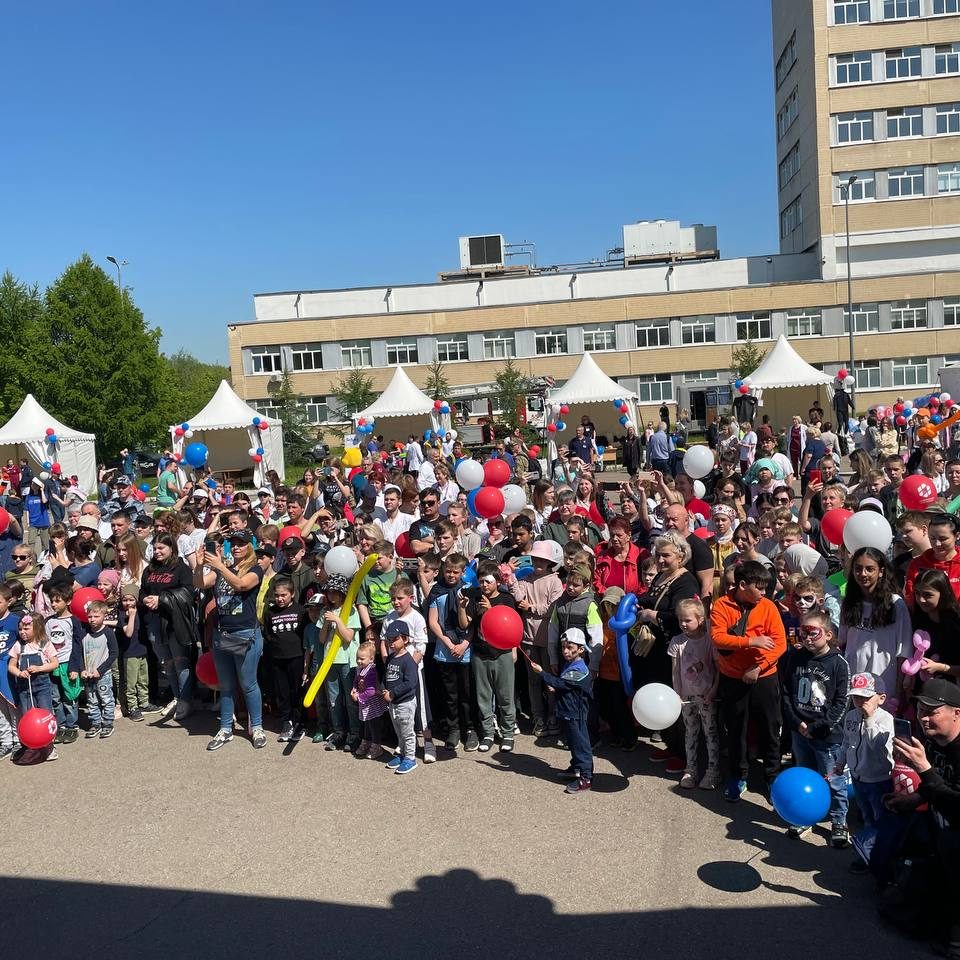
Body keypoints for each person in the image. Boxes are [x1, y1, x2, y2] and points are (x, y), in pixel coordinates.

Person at [710, 560, 787, 802]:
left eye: (766, 588)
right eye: (760, 588)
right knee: (735, 729)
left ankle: (772, 776)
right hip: (732, 677)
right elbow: (718, 639)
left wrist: (758, 667)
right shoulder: (721, 605)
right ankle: (737, 775)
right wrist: (751, 642)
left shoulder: (768, 607)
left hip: (764, 676)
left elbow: (780, 643)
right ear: (742, 585)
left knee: (770, 727)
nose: (764, 593)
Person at [781, 610, 851, 847]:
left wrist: (817, 727)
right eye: (803, 632)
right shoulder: (795, 657)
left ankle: (839, 821)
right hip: (799, 730)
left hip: (827, 735)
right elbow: (787, 693)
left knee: (833, 780)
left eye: (813, 632)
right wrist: (796, 723)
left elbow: (842, 703)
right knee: (805, 774)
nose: (807, 638)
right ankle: (806, 815)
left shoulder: (839, 664)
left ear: (828, 635)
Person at [839, 547, 911, 708]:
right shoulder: (848, 602)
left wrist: (898, 694)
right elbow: (842, 643)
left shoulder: (895, 604)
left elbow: (903, 653)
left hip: (884, 684)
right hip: (854, 683)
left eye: (869, 569)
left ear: (881, 571)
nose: (863, 574)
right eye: (858, 569)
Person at [837, 672, 894, 871]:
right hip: (858, 776)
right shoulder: (851, 716)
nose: (860, 702)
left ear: (881, 698)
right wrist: (840, 763)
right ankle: (867, 854)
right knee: (866, 816)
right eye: (855, 697)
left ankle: (880, 855)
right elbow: (846, 743)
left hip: (878, 779)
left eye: (865, 697)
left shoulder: (885, 720)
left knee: (880, 819)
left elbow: (876, 746)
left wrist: (869, 720)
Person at [459, 561, 518, 753]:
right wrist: (462, 607)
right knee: (483, 697)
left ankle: (508, 733)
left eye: (488, 581)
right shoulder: (476, 599)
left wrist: (491, 609)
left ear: (497, 581)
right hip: (480, 653)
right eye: (481, 581)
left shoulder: (506, 599)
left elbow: (510, 626)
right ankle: (488, 733)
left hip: (502, 654)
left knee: (505, 696)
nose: (484, 585)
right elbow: (464, 625)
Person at [141, 533, 198, 723]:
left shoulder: (181, 568)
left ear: (171, 548)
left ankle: (185, 700)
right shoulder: (149, 569)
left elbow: (189, 592)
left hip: (175, 622)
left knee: (180, 661)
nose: (157, 552)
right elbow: (143, 590)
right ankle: (177, 696)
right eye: (155, 548)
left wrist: (162, 599)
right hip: (154, 621)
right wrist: (145, 599)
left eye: (161, 548)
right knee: (167, 664)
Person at [531, 627, 594, 794]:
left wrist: (542, 672)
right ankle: (576, 768)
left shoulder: (579, 668)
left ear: (581, 649)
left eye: (570, 648)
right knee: (573, 743)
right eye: (563, 647)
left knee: (581, 745)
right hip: (568, 712)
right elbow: (566, 685)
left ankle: (586, 777)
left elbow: (562, 683)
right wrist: (558, 689)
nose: (565, 651)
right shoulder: (570, 663)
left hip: (576, 714)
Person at [668, 598, 720, 790]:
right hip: (686, 698)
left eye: (688, 620)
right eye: (680, 619)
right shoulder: (677, 642)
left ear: (700, 619)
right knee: (690, 732)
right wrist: (677, 694)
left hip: (706, 695)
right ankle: (691, 769)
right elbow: (675, 671)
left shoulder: (709, 640)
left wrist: (713, 689)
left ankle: (713, 771)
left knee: (711, 732)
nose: (683, 623)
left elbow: (717, 667)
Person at [74, 600, 119, 740]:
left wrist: (100, 669)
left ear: (104, 616)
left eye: (96, 616)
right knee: (92, 700)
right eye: (90, 616)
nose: (92, 620)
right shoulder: (84, 633)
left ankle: (107, 724)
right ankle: (95, 723)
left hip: (103, 674)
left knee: (106, 699)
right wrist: (82, 669)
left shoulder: (108, 633)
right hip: (88, 674)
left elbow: (114, 653)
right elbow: (80, 653)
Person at [382, 620, 419, 775]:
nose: (391, 643)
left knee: (407, 731)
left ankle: (410, 758)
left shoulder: (408, 660)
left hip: (405, 703)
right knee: (399, 731)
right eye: (389, 639)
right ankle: (402, 753)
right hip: (393, 704)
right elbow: (386, 677)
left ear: (405, 639)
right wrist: (383, 689)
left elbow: (410, 683)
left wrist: (393, 693)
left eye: (395, 639)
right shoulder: (391, 658)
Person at [350, 639, 387, 759]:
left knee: (373, 724)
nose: (359, 661)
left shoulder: (371, 671)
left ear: (371, 659)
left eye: (362, 659)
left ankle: (376, 746)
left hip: (372, 703)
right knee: (365, 723)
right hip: (364, 702)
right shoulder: (359, 668)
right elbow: (356, 680)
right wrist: (354, 689)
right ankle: (366, 742)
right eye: (358, 658)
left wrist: (359, 697)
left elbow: (371, 690)